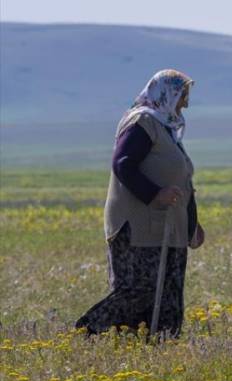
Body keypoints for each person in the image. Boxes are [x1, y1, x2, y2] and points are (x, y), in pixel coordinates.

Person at [76, 69, 205, 338]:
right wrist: (154, 193)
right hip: (137, 225)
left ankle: (160, 346)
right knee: (140, 289)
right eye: (182, 95)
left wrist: (192, 224)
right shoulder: (142, 123)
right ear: (165, 93)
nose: (186, 103)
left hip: (170, 226)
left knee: (169, 291)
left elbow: (182, 181)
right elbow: (123, 164)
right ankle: (88, 331)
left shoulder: (167, 128)